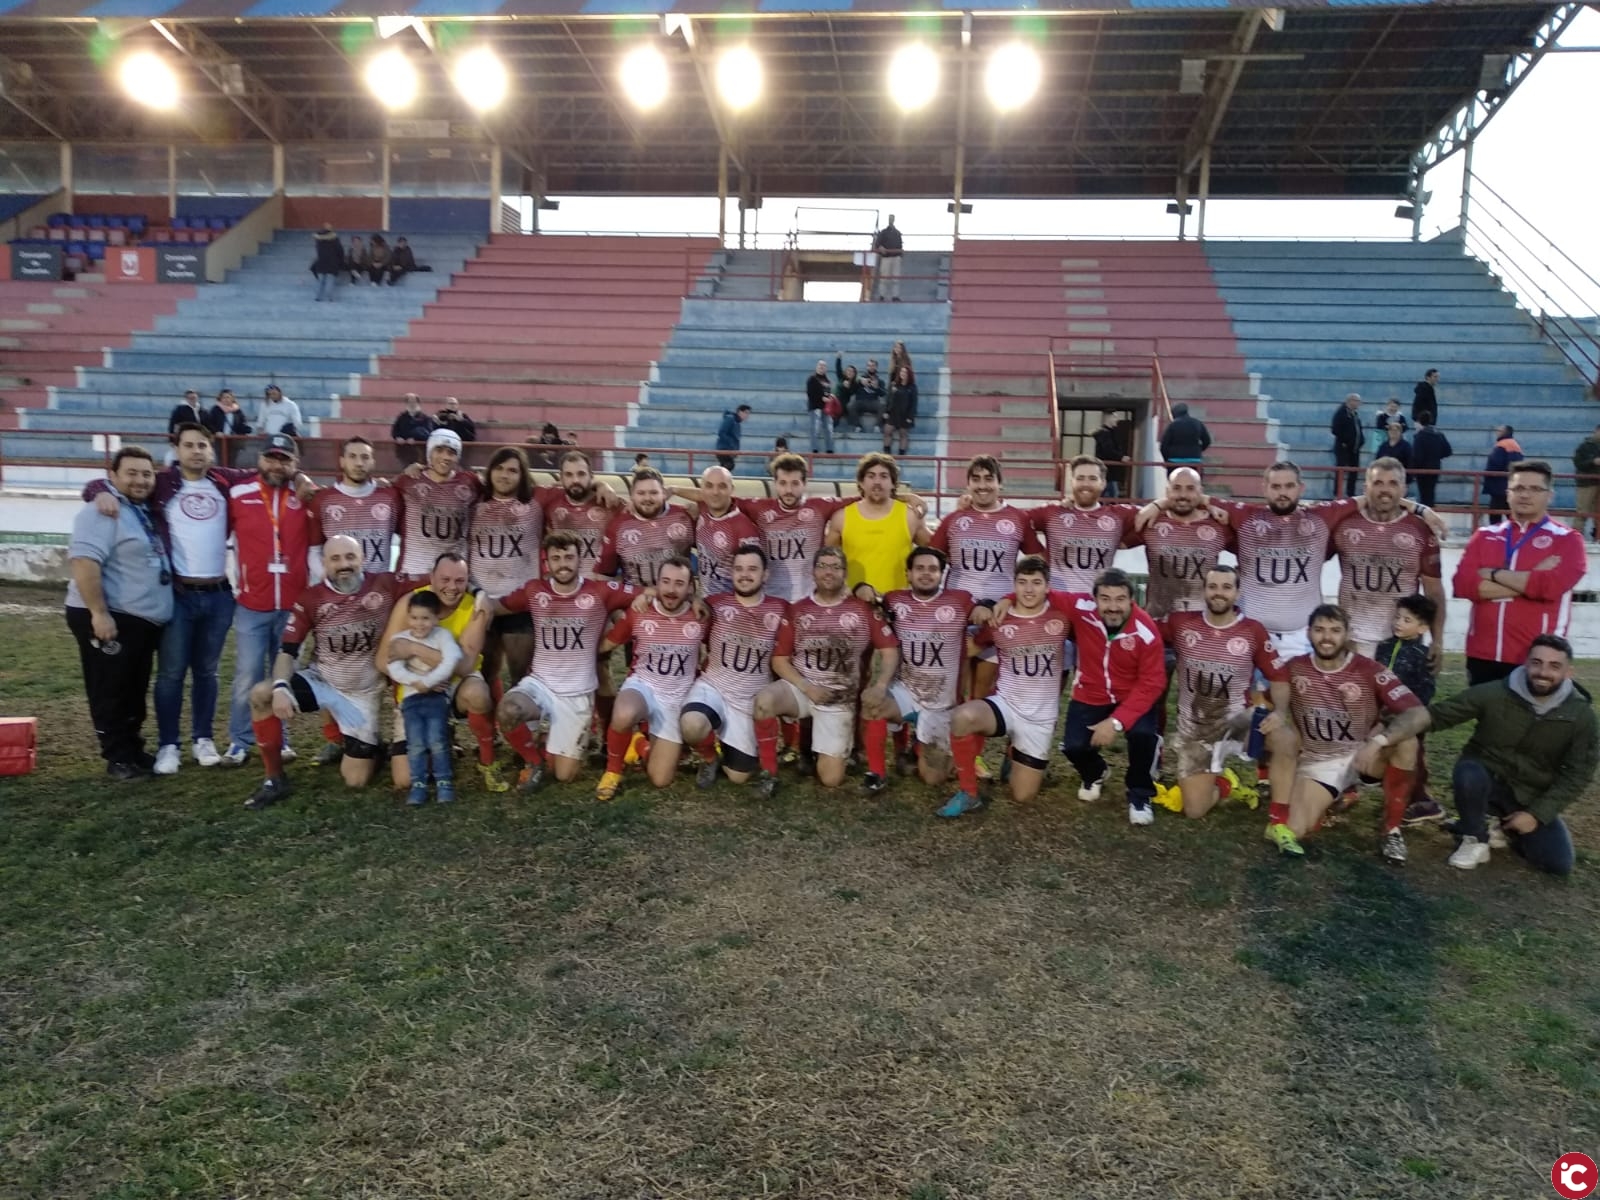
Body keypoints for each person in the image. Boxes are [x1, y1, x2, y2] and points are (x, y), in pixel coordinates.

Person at [1381, 634, 1596, 876]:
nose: (1543, 672)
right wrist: (1384, 734)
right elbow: (1436, 715)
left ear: (1569, 672)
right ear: (1526, 663)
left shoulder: (1582, 716)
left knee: (1558, 863)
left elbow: (1578, 774)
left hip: (1531, 795)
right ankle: (1475, 837)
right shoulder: (1494, 693)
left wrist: (1537, 814)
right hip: (1485, 780)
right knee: (1468, 772)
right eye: (1536, 663)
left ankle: (1501, 826)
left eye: (1554, 666)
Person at [241, 535, 395, 809]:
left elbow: (432, 581)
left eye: (350, 557)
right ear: (324, 563)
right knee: (261, 694)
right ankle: (274, 778)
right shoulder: (311, 597)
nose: (343, 564)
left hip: (361, 692)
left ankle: (373, 747)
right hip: (322, 681)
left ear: (362, 558)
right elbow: (287, 651)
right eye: (335, 559)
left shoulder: (385, 583)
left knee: (356, 780)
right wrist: (280, 687)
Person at [1259, 604, 1422, 862]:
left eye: (1335, 630)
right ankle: (1335, 796)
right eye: (1319, 630)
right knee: (1296, 829)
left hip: (1363, 754)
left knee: (1406, 742)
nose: (1327, 637)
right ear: (1308, 633)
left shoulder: (1369, 670)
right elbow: (1264, 703)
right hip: (1318, 762)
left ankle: (1391, 829)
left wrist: (1379, 740)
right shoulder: (1294, 668)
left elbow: (1418, 714)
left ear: (1347, 634)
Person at [493, 531, 639, 790]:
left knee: (564, 775)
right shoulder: (535, 590)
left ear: (579, 559)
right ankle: (533, 761)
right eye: (556, 558)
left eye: (569, 557)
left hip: (577, 693)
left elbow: (647, 596)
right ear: (547, 562)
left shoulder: (600, 591)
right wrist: (473, 601)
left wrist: (614, 638)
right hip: (540, 683)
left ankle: (551, 741)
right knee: (508, 710)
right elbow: (496, 606)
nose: (563, 564)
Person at [143, 424, 249, 774]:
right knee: (171, 673)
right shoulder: (161, 483)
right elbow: (109, 485)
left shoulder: (223, 482)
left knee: (207, 672)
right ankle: (168, 745)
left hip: (219, 595)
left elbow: (265, 471)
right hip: (178, 596)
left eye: (202, 445)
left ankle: (203, 738)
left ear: (211, 450)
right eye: (189, 445)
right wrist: (99, 490)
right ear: (177, 449)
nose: (196, 451)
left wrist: (302, 479)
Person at [65, 446, 173, 781]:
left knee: (132, 689)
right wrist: (99, 613)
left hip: (139, 620)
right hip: (111, 616)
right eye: (131, 473)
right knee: (109, 688)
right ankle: (117, 757)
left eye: (146, 474)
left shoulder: (141, 510)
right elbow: (84, 561)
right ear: (112, 476)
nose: (140, 480)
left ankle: (132, 748)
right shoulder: (101, 510)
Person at [753, 547, 898, 793]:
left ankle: (827, 749)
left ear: (845, 573)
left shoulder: (862, 609)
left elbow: (890, 650)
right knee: (764, 701)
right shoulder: (798, 609)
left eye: (835, 567)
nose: (828, 572)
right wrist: (807, 687)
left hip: (838, 697)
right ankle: (768, 774)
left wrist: (881, 684)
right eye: (822, 566)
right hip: (803, 689)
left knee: (831, 779)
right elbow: (779, 659)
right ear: (813, 572)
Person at [941, 555, 1069, 817]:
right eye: (1022, 582)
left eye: (1036, 583)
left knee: (1023, 796)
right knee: (963, 717)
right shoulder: (1000, 619)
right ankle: (969, 794)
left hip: (1040, 719)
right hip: (1006, 705)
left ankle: (1016, 752)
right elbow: (972, 647)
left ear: (1048, 587)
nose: (1029, 589)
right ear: (1014, 585)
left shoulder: (1063, 617)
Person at [1166, 565, 1295, 820]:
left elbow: (1279, 676)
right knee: (1194, 811)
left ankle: (1281, 815)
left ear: (1238, 593)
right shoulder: (1180, 623)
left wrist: (1280, 712)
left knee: (1285, 739)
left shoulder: (1252, 630)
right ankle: (1224, 784)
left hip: (1237, 722)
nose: (1219, 593)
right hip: (1196, 730)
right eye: (1213, 587)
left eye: (1227, 587)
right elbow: (1143, 631)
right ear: (1203, 591)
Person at [860, 547, 992, 792]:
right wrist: (861, 587)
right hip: (905, 691)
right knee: (873, 703)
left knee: (932, 778)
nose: (926, 573)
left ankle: (925, 748)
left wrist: (983, 622)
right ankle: (877, 774)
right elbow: (868, 599)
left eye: (933, 569)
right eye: (919, 568)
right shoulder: (894, 600)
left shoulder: (960, 600)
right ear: (908, 574)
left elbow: (987, 614)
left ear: (942, 574)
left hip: (942, 702)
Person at [1452, 459, 1586, 685]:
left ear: (1549, 495)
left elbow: (1549, 587)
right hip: (1482, 654)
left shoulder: (1567, 539)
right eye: (1519, 488)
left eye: (1535, 489)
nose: (1525, 494)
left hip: (1538, 658)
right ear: (1508, 494)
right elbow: (1463, 585)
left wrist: (1493, 574)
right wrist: (1531, 577)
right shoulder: (1484, 536)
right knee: (1485, 710)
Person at [378, 552, 503, 793]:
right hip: (416, 689)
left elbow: (465, 666)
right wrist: (421, 681)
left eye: (460, 581)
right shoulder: (411, 603)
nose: (452, 587)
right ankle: (442, 734)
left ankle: (488, 761)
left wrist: (414, 649)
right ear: (432, 577)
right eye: (445, 579)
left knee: (478, 693)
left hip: (456, 683)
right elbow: (382, 661)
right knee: (406, 780)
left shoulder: (475, 606)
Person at [1055, 570, 1167, 825]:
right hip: (1090, 693)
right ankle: (1096, 772)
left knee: (1143, 735)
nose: (1113, 607)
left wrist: (1116, 722)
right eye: (1105, 599)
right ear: (1094, 599)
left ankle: (1140, 794)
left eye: (1120, 599)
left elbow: (1153, 683)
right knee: (1073, 747)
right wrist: (1007, 599)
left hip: (1132, 696)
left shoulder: (1145, 630)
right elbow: (1043, 593)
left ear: (1131, 600)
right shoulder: (1081, 608)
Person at [593, 556, 703, 801]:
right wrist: (577, 654)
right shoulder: (639, 611)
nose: (671, 590)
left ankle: (639, 744)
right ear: (657, 583)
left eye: (679, 583)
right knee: (624, 714)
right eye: (666, 582)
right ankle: (612, 772)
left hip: (675, 700)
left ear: (690, 587)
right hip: (643, 686)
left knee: (660, 779)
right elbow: (608, 643)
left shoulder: (701, 616)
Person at [932, 455, 1041, 700]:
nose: (982, 485)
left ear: (1000, 483)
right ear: (968, 484)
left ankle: (974, 723)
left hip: (997, 613)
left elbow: (1038, 564)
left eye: (989, 479)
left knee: (981, 692)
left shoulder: (1018, 518)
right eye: (976, 479)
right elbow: (931, 559)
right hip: (957, 611)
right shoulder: (954, 519)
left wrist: (1013, 598)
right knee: (950, 691)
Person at [681, 544, 789, 789]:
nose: (745, 575)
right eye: (739, 569)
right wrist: (693, 598)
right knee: (692, 725)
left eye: (752, 569)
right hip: (714, 688)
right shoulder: (714, 604)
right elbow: (680, 606)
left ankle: (727, 742)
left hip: (749, 699)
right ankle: (709, 758)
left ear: (765, 575)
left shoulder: (781, 608)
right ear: (731, 573)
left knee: (739, 776)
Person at [1332, 457, 1444, 658]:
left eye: (1393, 483)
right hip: (1352, 639)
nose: (1385, 490)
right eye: (1378, 483)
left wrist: (1437, 640)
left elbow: (1433, 591)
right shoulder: (1344, 524)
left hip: (1401, 641)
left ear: (1404, 489)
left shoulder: (1420, 529)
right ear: (1366, 488)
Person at [469, 447, 545, 688]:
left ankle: (521, 714)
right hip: (480, 599)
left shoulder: (536, 503)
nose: (504, 475)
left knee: (521, 675)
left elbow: (573, 493)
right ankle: (491, 712)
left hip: (519, 602)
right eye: (499, 468)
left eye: (512, 470)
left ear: (522, 475)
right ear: (490, 471)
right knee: (484, 673)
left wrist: (601, 486)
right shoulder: (473, 503)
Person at [381, 590, 462, 806]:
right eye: (414, 617)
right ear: (408, 617)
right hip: (411, 700)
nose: (419, 624)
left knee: (437, 741)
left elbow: (451, 659)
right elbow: (394, 668)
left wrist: (429, 682)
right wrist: (417, 682)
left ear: (436, 618)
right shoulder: (400, 640)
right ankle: (419, 784)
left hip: (436, 699)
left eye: (425, 618)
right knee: (415, 743)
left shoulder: (442, 636)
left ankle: (444, 782)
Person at [1027, 455, 1139, 596]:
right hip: (1059, 600)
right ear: (1072, 482)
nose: (1086, 484)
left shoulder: (1118, 515)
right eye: (1080, 478)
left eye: (1092, 478)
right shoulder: (1053, 512)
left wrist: (1158, 505)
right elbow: (1017, 521)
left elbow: (1153, 519)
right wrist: (1037, 552)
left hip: (1098, 602)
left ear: (1103, 483)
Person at [1375, 593, 1444, 825]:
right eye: (1397, 617)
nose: (1398, 623)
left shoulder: (1423, 655)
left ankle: (1421, 802)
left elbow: (1425, 691)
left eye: (1407, 620)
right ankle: (1395, 800)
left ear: (1422, 627)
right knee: (1388, 755)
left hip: (1409, 718)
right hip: (1383, 715)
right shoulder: (1383, 647)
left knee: (1414, 758)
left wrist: (1410, 713)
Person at [825, 452, 930, 602]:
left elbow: (937, 548)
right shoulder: (841, 517)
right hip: (854, 604)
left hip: (898, 604)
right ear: (861, 482)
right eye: (871, 476)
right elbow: (827, 562)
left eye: (883, 476)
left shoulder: (910, 516)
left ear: (893, 483)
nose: (877, 482)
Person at [394, 429, 483, 586]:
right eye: (439, 450)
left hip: (453, 574)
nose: (445, 457)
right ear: (429, 452)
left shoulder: (470, 482)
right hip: (414, 571)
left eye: (451, 452)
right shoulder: (408, 480)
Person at [308, 435, 398, 579]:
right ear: (342, 461)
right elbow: (314, 551)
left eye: (365, 457)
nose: (359, 463)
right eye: (352, 457)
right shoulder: (322, 500)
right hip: (341, 585)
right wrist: (328, 579)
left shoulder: (390, 497)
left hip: (379, 587)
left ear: (373, 462)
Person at [592, 468, 695, 589]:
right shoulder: (618, 525)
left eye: (653, 493)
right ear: (632, 495)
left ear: (663, 493)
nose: (647, 498)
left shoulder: (684, 516)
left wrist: (698, 507)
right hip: (636, 599)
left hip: (678, 597)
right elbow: (603, 575)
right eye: (641, 493)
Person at [687, 465, 760, 597]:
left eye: (722, 486)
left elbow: (753, 578)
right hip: (703, 602)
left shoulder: (743, 528)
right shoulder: (703, 510)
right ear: (702, 490)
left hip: (729, 604)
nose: (715, 492)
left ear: (732, 489)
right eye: (709, 486)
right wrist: (672, 490)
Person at [1482, 424, 1523, 522]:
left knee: (1495, 513)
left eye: (1499, 431)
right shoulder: (1515, 445)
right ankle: (1517, 529)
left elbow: (1496, 463)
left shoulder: (1502, 445)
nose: (1496, 433)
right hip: (1510, 483)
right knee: (1510, 511)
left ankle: (1496, 530)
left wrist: (1488, 474)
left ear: (1504, 432)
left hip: (1499, 484)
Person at [1411, 415, 1452, 509]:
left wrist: (1413, 470)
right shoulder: (1439, 434)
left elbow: (1417, 456)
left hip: (1421, 470)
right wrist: (1436, 456)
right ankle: (1430, 512)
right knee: (1431, 494)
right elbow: (1448, 451)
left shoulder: (1419, 436)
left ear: (1420, 422)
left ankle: (1424, 514)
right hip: (1435, 467)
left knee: (1423, 495)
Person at [1091, 411, 1132, 497]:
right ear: (1108, 418)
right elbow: (1108, 450)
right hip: (1107, 470)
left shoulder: (1110, 433)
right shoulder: (1105, 433)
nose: (1116, 420)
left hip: (1109, 470)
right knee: (1111, 493)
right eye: (1114, 417)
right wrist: (1121, 457)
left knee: (1108, 493)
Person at [1330, 393, 1363, 499]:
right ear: (1350, 401)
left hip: (1355, 448)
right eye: (1356, 401)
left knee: (1354, 471)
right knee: (1340, 470)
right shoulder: (1341, 412)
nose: (1358, 404)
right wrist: (1345, 441)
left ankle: (1350, 493)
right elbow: (1335, 429)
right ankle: (1337, 494)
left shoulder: (1355, 414)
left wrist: (1361, 441)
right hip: (1343, 448)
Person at [1159, 402, 1211, 467]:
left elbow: (1164, 446)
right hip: (1194, 460)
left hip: (1174, 461)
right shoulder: (1197, 423)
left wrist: (1166, 460)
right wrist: (1198, 450)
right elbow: (1207, 441)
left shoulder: (1172, 426)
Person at [1571, 422, 1600, 539]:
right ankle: (1575, 538)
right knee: (1582, 512)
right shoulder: (1585, 446)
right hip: (1587, 483)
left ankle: (1597, 536)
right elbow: (1578, 463)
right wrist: (1593, 462)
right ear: (1596, 431)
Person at [391, 394, 436, 467]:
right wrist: (398, 437)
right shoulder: (401, 417)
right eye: (409, 402)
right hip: (404, 451)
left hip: (419, 452)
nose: (412, 404)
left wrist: (415, 438)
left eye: (414, 402)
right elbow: (394, 431)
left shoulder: (425, 418)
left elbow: (428, 433)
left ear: (418, 403)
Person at [844, 356, 887, 434]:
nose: (871, 367)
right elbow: (852, 389)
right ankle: (858, 426)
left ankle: (877, 426)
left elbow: (883, 394)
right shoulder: (860, 378)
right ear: (867, 367)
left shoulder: (880, 381)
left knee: (883, 405)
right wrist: (860, 381)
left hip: (873, 402)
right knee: (850, 405)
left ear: (876, 367)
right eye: (869, 365)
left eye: (873, 366)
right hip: (861, 401)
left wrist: (877, 388)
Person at [883, 365, 917, 456]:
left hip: (905, 414)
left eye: (905, 372)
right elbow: (889, 399)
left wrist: (910, 416)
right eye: (902, 372)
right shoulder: (894, 385)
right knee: (887, 431)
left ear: (909, 374)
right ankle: (887, 452)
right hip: (893, 412)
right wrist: (886, 411)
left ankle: (901, 454)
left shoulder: (912, 387)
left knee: (903, 434)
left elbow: (914, 403)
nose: (903, 374)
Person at [872, 214, 904, 302]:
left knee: (895, 278)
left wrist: (900, 254)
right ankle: (882, 295)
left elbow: (900, 245)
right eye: (890, 218)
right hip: (886, 257)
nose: (891, 220)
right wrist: (881, 248)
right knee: (884, 278)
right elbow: (877, 244)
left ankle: (895, 295)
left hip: (896, 257)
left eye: (892, 219)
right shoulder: (883, 232)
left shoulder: (897, 233)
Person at [805, 359, 834, 455]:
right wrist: (821, 398)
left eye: (823, 366)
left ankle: (830, 449)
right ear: (816, 367)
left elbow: (829, 393)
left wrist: (829, 398)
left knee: (829, 428)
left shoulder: (828, 381)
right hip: (815, 407)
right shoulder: (812, 379)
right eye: (820, 365)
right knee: (815, 428)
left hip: (826, 408)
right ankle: (814, 449)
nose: (821, 367)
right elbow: (810, 393)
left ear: (826, 368)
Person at [311, 223, 344, 301]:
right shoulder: (335, 238)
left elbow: (318, 250)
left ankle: (318, 296)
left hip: (321, 261)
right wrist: (340, 260)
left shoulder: (318, 238)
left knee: (320, 281)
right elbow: (340, 250)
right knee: (330, 280)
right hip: (332, 262)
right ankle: (329, 297)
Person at [716, 404, 751, 472]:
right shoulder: (730, 419)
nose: (747, 415)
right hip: (724, 449)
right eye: (746, 413)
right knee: (728, 466)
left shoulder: (736, 422)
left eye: (748, 413)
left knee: (726, 467)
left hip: (729, 450)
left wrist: (735, 450)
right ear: (740, 412)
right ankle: (715, 476)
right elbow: (722, 432)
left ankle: (717, 477)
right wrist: (731, 444)